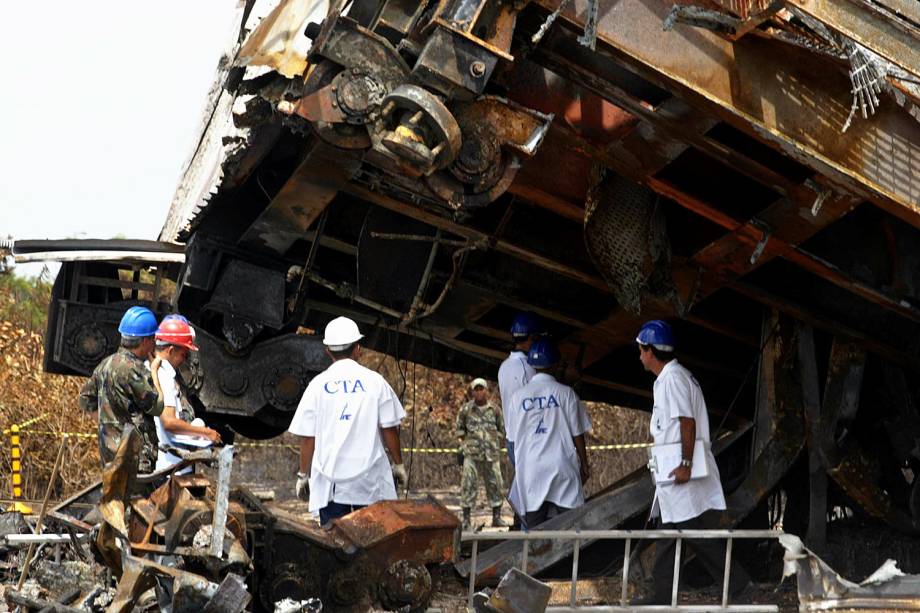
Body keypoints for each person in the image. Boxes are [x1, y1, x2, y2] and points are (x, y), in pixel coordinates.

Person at [634, 319, 751, 604]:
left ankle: (738, 584)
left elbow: (687, 422)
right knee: (671, 533)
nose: (639, 355)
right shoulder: (670, 378)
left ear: (651, 351)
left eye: (641, 349)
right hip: (672, 470)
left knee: (692, 533)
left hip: (680, 469)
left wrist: (686, 464)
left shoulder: (673, 379)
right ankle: (661, 595)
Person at [288, 316, 407, 525]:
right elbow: (389, 428)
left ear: (327, 351)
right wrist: (398, 464)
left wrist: (303, 475)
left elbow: (308, 438)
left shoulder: (318, 385)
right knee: (373, 541)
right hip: (370, 481)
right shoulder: (375, 382)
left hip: (330, 482)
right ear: (357, 349)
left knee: (336, 546)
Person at [506, 337, 591, 529]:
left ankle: (534, 559)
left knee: (535, 537)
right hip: (561, 466)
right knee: (573, 526)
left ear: (532, 365)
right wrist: (584, 464)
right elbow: (577, 433)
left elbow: (511, 439)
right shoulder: (566, 393)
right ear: (556, 364)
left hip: (531, 470)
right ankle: (572, 559)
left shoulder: (517, 398)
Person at [79, 306, 164, 473]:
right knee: (137, 498)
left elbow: (85, 398)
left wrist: (108, 427)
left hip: (109, 454)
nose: (154, 344)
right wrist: (154, 371)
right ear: (145, 341)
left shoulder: (105, 364)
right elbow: (157, 406)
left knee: (114, 498)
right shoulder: (134, 370)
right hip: (134, 456)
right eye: (153, 339)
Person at [150, 315, 221, 473]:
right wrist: (205, 433)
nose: (184, 360)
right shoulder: (163, 376)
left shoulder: (157, 370)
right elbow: (168, 422)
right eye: (183, 354)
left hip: (171, 464)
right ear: (171, 350)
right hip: (170, 468)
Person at [456, 378, 506, 530]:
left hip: (491, 454)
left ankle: (496, 517)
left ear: (486, 390)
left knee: (496, 484)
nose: (479, 392)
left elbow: (502, 431)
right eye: (476, 389)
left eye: (481, 389)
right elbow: (460, 430)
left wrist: (493, 439)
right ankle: (466, 519)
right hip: (472, 454)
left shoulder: (495, 410)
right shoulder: (466, 410)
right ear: (472, 392)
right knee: (468, 484)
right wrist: (465, 445)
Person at [497, 312, 541, 466]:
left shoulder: (504, 366)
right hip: (527, 441)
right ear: (531, 337)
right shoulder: (528, 368)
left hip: (512, 439)